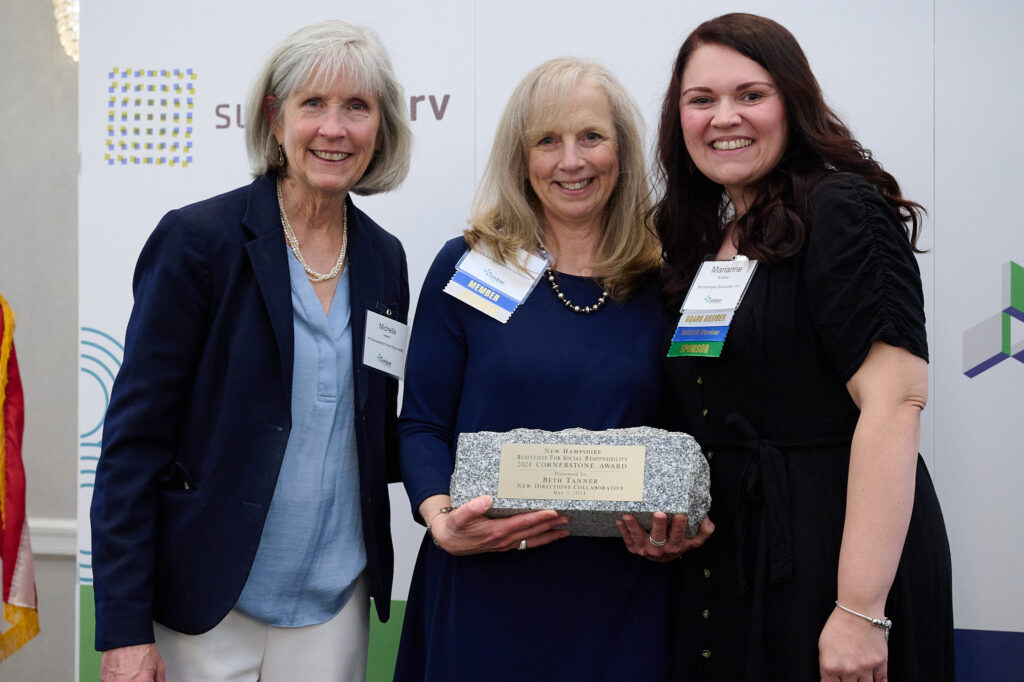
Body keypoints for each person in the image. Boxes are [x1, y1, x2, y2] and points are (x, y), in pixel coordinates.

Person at [90, 20, 411, 682]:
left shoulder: (385, 260)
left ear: (380, 126)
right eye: (312, 104)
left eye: (357, 106)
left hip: (333, 609)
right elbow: (132, 447)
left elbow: (378, 432)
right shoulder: (198, 242)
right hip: (205, 608)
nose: (334, 128)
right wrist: (123, 630)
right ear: (274, 117)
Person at [650, 12, 955, 681]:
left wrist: (860, 611)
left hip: (831, 555)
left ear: (793, 102)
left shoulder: (842, 208)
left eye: (750, 95)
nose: (724, 116)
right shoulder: (708, 243)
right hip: (733, 557)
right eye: (701, 101)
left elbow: (896, 401)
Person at [394, 57, 710, 681]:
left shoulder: (669, 279)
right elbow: (422, 425)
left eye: (591, 137)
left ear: (621, 151)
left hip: (621, 592)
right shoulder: (467, 266)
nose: (572, 161)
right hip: (485, 586)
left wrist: (687, 520)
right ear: (521, 157)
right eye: (548, 141)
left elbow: (693, 434)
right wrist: (441, 520)